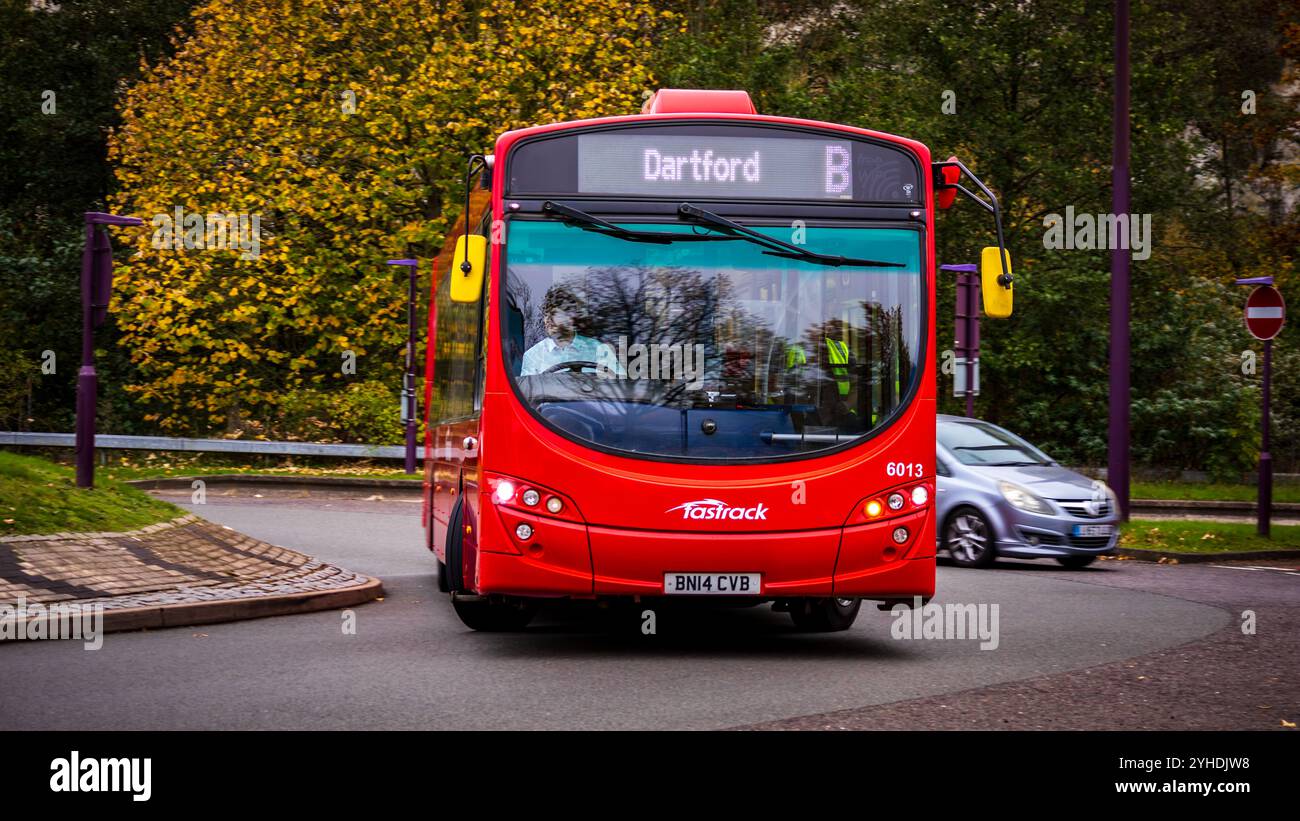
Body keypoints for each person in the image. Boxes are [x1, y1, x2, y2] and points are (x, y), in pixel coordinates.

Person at [521, 286, 620, 376]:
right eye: (546, 315)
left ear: (570, 317)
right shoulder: (533, 356)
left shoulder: (598, 349)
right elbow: (528, 392)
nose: (548, 320)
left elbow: (622, 385)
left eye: (554, 314)